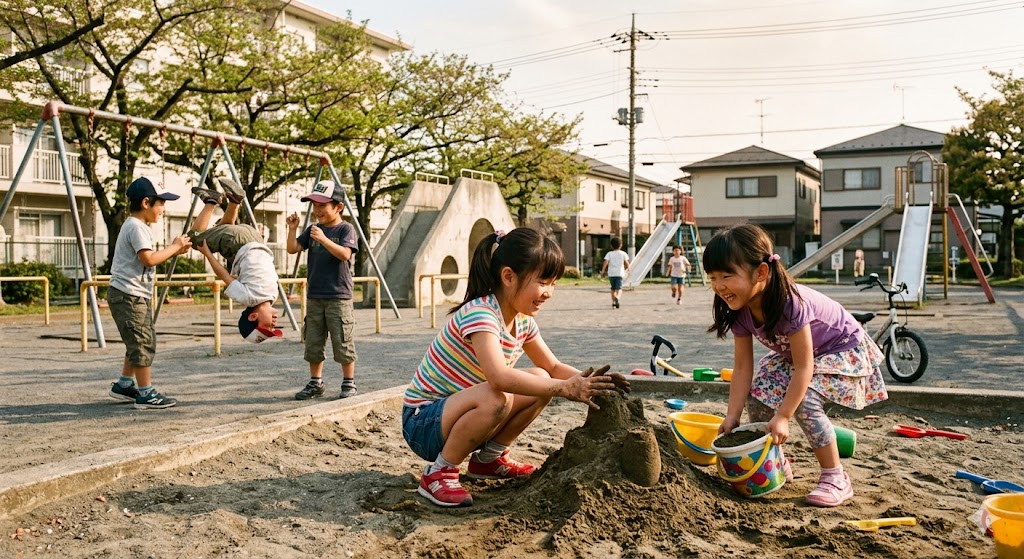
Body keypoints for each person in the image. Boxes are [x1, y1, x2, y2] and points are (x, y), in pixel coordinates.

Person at [402, 227, 630, 507]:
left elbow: (553, 366)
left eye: (554, 284)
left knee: (540, 378)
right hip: (423, 422)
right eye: (544, 282)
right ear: (508, 276)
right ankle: (438, 473)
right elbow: (499, 377)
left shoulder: (522, 321)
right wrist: (564, 388)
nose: (549, 293)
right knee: (498, 394)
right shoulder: (480, 314)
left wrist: (594, 382)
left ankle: (489, 459)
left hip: (459, 416)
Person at [703, 224, 887, 508]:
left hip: (843, 348)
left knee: (804, 400)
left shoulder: (790, 303)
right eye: (713, 277)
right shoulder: (740, 309)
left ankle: (835, 476)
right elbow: (742, 369)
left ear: (761, 272)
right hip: (804, 354)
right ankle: (774, 461)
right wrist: (732, 416)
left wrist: (784, 416)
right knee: (759, 389)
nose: (719, 286)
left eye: (727, 276)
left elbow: (804, 368)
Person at [107, 177, 192, 409]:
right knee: (143, 341)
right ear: (146, 202)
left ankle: (124, 385)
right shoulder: (136, 226)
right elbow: (148, 259)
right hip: (129, 295)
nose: (163, 210)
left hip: (129, 294)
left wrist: (175, 250)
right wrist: (174, 247)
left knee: (136, 340)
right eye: (161, 204)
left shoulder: (135, 225)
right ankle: (145, 393)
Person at [285, 180, 359, 400]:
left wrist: (324, 239)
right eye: (314, 205)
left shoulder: (346, 228)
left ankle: (348, 382)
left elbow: (345, 254)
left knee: (342, 340)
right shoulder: (313, 230)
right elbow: (292, 249)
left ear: (338, 207)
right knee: (313, 341)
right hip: (315, 295)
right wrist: (292, 229)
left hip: (338, 296)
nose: (317, 210)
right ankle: (315, 383)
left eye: (322, 206)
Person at [190, 178, 283, 344]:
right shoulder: (259, 297)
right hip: (241, 242)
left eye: (267, 327)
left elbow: (223, 275)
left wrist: (207, 254)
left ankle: (232, 201)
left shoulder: (267, 295)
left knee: (194, 240)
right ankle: (215, 201)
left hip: (253, 238)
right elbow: (227, 276)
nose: (274, 325)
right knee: (197, 239)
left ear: (253, 316)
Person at [600, 236, 629, 309]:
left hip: (611, 274)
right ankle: (617, 297)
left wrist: (603, 271)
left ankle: (613, 302)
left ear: (611, 246)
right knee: (619, 289)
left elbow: (605, 262)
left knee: (612, 288)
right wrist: (628, 269)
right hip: (619, 273)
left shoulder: (609, 254)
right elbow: (626, 263)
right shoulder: (623, 254)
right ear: (621, 245)